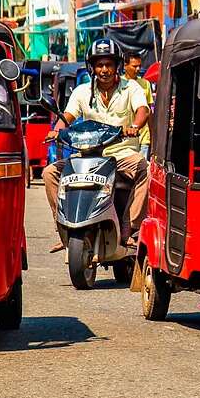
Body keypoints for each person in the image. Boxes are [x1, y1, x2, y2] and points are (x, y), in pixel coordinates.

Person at [41, 39, 151, 253]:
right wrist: (57, 129)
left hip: (121, 154)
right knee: (49, 173)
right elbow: (68, 116)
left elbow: (143, 110)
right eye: (99, 65)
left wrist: (135, 126)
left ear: (117, 66)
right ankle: (63, 228)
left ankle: (130, 227)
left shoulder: (132, 88)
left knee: (143, 167)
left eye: (109, 65)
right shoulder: (82, 91)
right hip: (87, 155)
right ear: (92, 67)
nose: (104, 70)